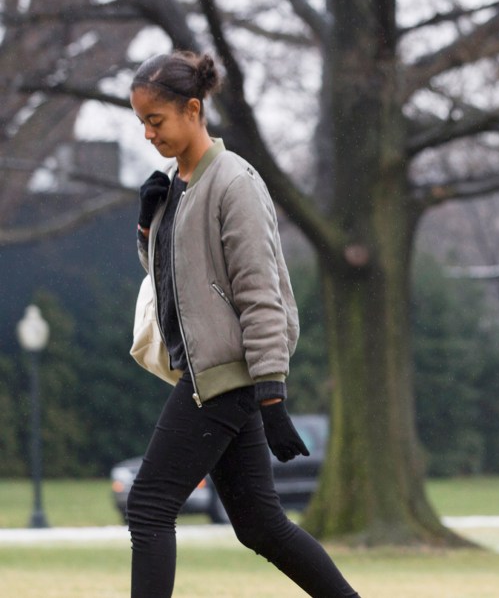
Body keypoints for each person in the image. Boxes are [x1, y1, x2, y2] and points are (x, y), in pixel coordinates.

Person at [127, 50, 360, 598]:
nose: (147, 134)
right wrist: (146, 229)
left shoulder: (234, 183)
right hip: (207, 374)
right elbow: (172, 281)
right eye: (140, 123)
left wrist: (272, 395)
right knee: (259, 525)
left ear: (192, 109)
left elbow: (262, 296)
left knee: (150, 506)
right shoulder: (174, 184)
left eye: (155, 121)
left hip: (224, 378)